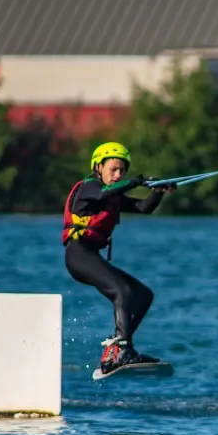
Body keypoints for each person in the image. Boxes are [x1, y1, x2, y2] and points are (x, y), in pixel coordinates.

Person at [62, 141, 175, 375]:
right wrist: (133, 182)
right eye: (113, 169)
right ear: (98, 166)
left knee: (143, 295)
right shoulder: (88, 187)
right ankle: (120, 349)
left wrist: (158, 191)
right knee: (122, 292)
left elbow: (144, 207)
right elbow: (104, 192)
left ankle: (122, 349)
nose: (118, 175)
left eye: (122, 171)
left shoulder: (112, 195)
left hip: (90, 255)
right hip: (78, 254)